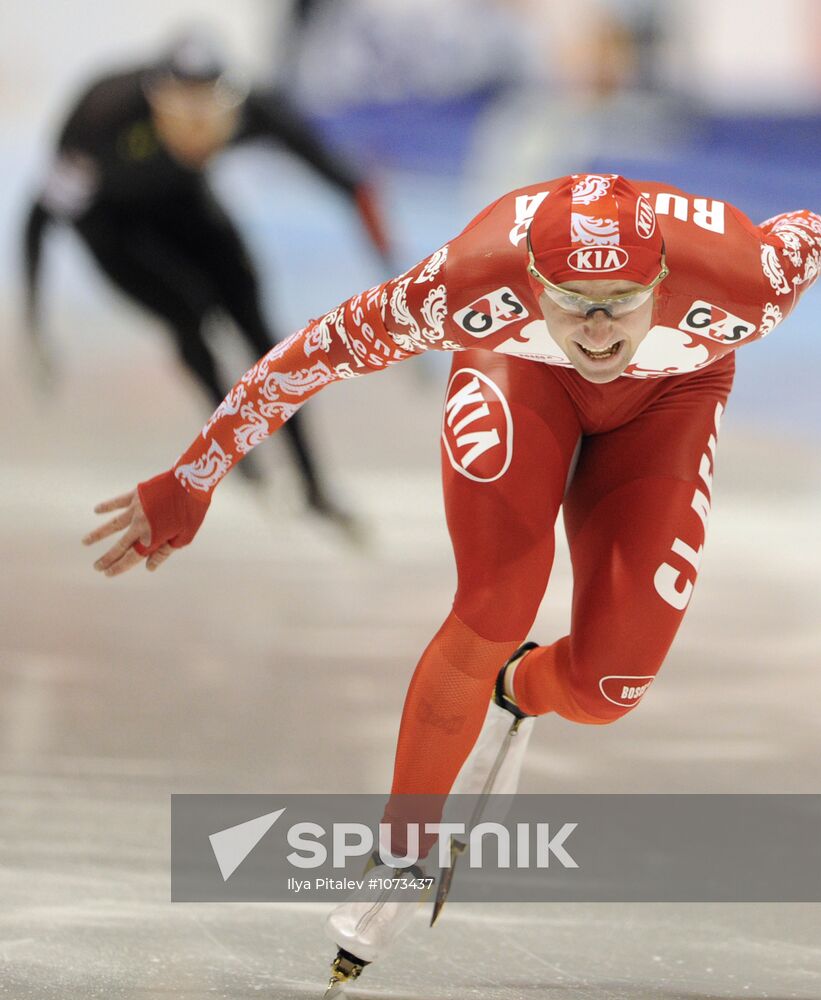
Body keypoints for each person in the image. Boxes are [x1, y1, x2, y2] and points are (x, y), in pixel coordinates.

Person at [83, 173, 821, 993]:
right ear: (532, 283)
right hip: (521, 370)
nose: (602, 330)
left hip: (672, 394)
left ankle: (516, 688)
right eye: (574, 300)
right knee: (495, 602)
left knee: (608, 686)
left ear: (661, 282)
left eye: (621, 299)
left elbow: (808, 223)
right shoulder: (465, 286)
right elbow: (306, 357)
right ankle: (399, 856)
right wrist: (194, 477)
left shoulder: (751, 283)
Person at [25, 31, 392, 526]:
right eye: (181, 115)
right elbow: (41, 216)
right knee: (190, 313)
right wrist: (34, 322)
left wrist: (391, 270)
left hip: (186, 204)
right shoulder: (104, 113)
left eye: (208, 116)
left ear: (230, 104)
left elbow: (344, 181)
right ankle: (233, 460)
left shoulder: (252, 111)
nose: (197, 129)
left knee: (270, 343)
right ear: (155, 104)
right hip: (111, 228)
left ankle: (313, 486)